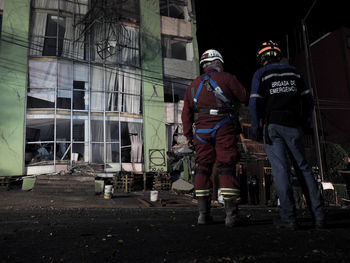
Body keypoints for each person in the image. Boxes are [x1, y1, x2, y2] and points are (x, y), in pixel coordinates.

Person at [249, 40, 325, 229]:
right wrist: (305, 123)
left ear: (262, 58)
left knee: (281, 171)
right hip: (294, 126)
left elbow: (253, 104)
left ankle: (289, 218)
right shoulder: (295, 72)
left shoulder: (261, 74)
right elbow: (309, 100)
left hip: (272, 127)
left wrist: (256, 128)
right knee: (303, 168)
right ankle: (319, 216)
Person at [181, 49, 248, 227]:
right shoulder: (226, 78)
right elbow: (243, 96)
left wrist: (189, 136)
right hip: (223, 128)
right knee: (226, 167)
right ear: (218, 63)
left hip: (201, 133)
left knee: (202, 168)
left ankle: (203, 215)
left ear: (204, 65)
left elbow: (186, 114)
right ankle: (231, 216)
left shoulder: (193, 86)